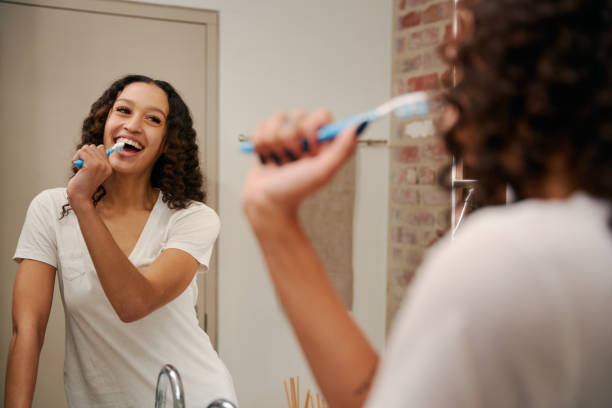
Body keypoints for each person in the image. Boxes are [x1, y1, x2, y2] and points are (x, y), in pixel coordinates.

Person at [242, 0, 612, 407]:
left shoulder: (512, 258)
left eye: (464, 65)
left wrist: (271, 216)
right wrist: (271, 216)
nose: (446, 96)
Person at [5, 75, 237, 407]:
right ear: (104, 121)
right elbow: (26, 331)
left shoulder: (192, 218)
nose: (133, 125)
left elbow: (133, 304)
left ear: (167, 143)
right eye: (123, 110)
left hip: (190, 396)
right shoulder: (50, 210)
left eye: (153, 119)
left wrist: (83, 203)